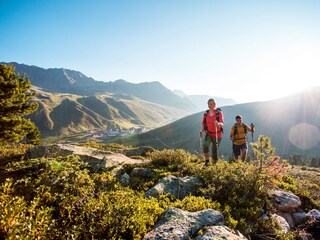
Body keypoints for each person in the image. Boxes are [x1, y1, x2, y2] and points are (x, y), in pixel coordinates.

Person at [200, 98, 224, 166]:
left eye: (211, 104)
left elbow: (222, 123)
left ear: (214, 104)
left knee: (214, 150)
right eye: (208, 104)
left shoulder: (219, 113)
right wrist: (202, 129)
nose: (210, 105)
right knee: (205, 145)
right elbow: (203, 122)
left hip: (217, 134)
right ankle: (207, 161)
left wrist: (218, 124)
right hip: (209, 133)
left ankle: (214, 165)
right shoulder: (206, 113)